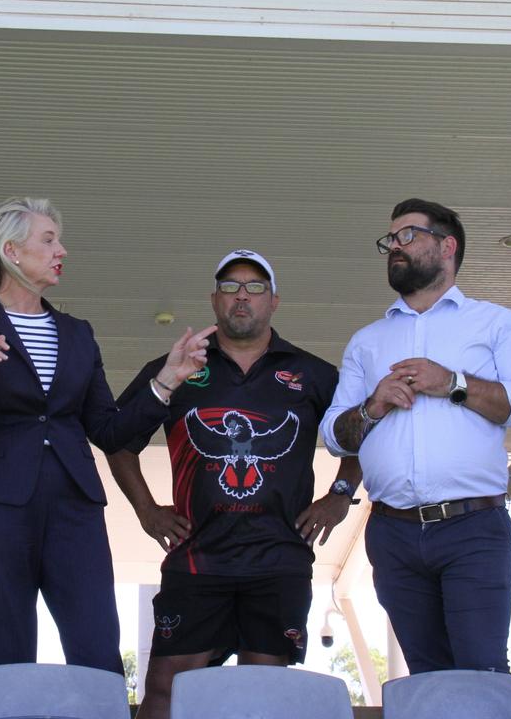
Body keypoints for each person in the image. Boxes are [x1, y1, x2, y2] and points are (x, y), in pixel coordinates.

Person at [0, 197, 215, 674]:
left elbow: (108, 428)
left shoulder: (78, 333)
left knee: (97, 652)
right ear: (11, 251)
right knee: (3, 658)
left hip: (74, 511)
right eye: (49, 239)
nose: (63, 251)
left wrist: (168, 380)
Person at [107, 250, 361, 719]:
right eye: (230, 287)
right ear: (214, 300)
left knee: (262, 697)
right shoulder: (176, 368)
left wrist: (339, 495)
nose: (241, 297)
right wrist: (147, 510)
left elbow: (360, 437)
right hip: (198, 559)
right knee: (165, 688)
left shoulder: (314, 374)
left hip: (279, 557)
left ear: (274, 302)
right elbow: (119, 442)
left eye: (254, 287)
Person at [319, 198, 511, 674]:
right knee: (428, 677)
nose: (394, 247)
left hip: (471, 528)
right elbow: (334, 436)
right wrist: (374, 404)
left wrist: (454, 384)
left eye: (408, 236)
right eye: (390, 240)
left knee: (481, 671)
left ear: (447, 246)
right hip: (391, 532)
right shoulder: (367, 341)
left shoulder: (494, 323)